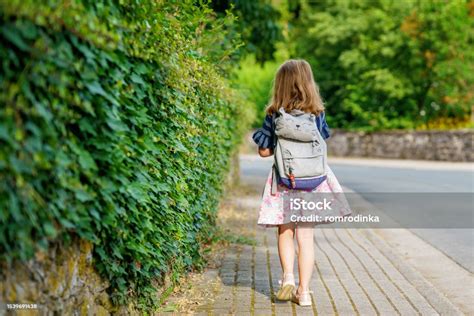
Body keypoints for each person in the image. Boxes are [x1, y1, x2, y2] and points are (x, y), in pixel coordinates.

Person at [252, 59, 351, 307]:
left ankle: (287, 278)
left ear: (280, 85)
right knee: (306, 237)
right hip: (314, 183)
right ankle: (304, 293)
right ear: (309, 83)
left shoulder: (274, 114)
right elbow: (322, 139)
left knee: (285, 231)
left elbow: (264, 153)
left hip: (284, 182)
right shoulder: (317, 114)